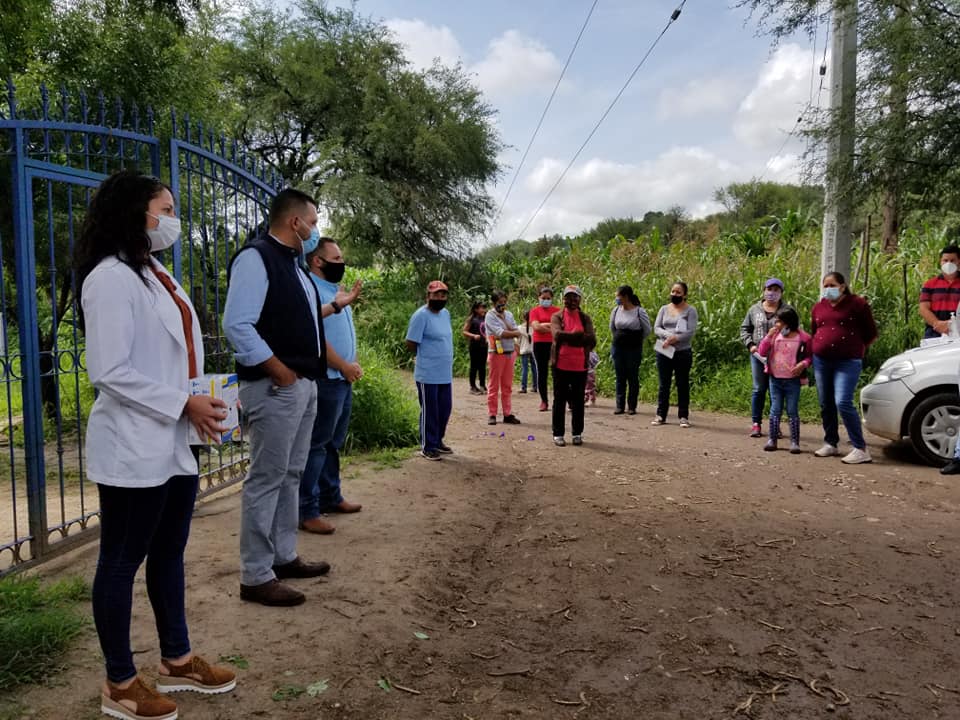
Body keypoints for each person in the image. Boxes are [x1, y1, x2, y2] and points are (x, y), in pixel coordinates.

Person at [76, 171, 236, 720]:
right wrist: (181, 403)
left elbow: (173, 352)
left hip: (173, 439)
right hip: (134, 443)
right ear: (135, 212)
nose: (172, 218)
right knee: (121, 560)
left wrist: (200, 402)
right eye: (164, 207)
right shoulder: (109, 279)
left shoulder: (153, 271)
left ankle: (177, 658)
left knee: (168, 551)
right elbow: (110, 370)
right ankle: (119, 681)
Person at [223, 188, 335, 607]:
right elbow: (237, 324)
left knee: (290, 473)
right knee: (267, 476)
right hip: (275, 386)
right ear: (295, 223)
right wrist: (278, 368)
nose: (315, 228)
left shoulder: (295, 266)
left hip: (301, 385)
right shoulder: (256, 258)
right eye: (313, 219)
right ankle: (255, 574)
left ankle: (283, 556)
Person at [298, 238, 364, 535]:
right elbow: (316, 339)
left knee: (332, 444)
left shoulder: (335, 291)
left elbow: (344, 331)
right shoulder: (310, 291)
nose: (342, 262)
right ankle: (307, 510)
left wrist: (353, 362)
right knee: (317, 445)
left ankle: (330, 496)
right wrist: (342, 365)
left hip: (342, 379)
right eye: (336, 257)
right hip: (327, 379)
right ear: (318, 261)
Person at [810, 271, 878, 464]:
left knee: (843, 402)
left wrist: (855, 347)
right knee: (826, 403)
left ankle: (860, 447)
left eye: (832, 285)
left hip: (847, 361)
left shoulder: (857, 304)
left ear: (842, 286)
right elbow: (815, 330)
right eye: (825, 285)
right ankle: (830, 442)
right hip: (822, 360)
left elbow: (871, 332)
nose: (828, 289)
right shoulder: (819, 307)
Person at [405, 280, 455, 460]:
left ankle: (438, 440)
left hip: (444, 372)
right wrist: (426, 354)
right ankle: (428, 445)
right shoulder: (420, 316)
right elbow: (411, 342)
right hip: (427, 373)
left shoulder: (445, 314)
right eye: (436, 295)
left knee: (445, 408)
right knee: (430, 410)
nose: (440, 298)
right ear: (428, 296)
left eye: (443, 295)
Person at [740, 278, 793, 437]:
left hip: (779, 356)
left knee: (775, 390)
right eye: (769, 289)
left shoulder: (787, 310)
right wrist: (750, 345)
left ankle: (774, 424)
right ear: (764, 290)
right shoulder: (754, 309)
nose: (772, 293)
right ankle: (756, 423)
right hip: (758, 355)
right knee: (759, 389)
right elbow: (744, 329)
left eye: (776, 290)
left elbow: (794, 330)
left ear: (781, 293)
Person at [756, 307, 812, 453]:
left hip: (792, 380)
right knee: (775, 409)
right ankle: (772, 439)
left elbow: (810, 356)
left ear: (789, 323)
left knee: (792, 410)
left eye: (779, 321)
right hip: (775, 379)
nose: (776, 323)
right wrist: (768, 337)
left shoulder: (803, 338)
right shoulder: (775, 335)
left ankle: (794, 442)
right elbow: (761, 351)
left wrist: (803, 364)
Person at [550, 285, 596, 446]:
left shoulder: (585, 318)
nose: (571, 300)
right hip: (560, 365)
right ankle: (558, 433)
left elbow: (592, 340)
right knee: (559, 400)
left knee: (578, 401)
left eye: (575, 297)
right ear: (563, 299)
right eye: (568, 297)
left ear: (580, 299)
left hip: (580, 366)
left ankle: (577, 433)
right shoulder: (557, 316)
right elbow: (556, 335)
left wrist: (569, 337)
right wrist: (577, 336)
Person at [652, 282, 698, 427]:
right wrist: (669, 336)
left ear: (684, 295)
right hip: (664, 349)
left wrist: (676, 339)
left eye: (678, 292)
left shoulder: (690, 311)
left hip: (682, 352)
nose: (674, 294)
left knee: (682, 383)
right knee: (663, 384)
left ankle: (683, 416)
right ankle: (661, 415)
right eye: (673, 291)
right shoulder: (664, 309)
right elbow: (657, 328)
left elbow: (690, 331)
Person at [609, 285, 651, 415]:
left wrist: (636, 340)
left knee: (632, 376)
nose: (617, 299)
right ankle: (619, 405)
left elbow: (647, 329)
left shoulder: (639, 311)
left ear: (626, 297)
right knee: (620, 376)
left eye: (618, 296)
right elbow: (612, 327)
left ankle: (632, 406)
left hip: (633, 348)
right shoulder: (616, 310)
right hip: (618, 347)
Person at [484, 290, 522, 425]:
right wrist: (515, 333)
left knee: (507, 386)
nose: (502, 305)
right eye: (500, 303)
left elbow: (513, 327)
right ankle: (492, 414)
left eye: (504, 302)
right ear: (494, 303)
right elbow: (500, 333)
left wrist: (513, 332)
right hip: (496, 353)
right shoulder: (489, 316)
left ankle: (507, 413)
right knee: (493, 385)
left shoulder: (509, 314)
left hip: (509, 352)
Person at [529, 286, 561, 411]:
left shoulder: (558, 311)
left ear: (552, 298)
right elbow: (536, 327)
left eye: (548, 298)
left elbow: (561, 328)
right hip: (539, 344)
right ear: (539, 298)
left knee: (557, 373)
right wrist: (551, 327)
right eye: (543, 298)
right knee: (542, 373)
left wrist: (544, 326)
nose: (546, 300)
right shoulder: (534, 311)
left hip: (554, 344)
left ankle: (560, 400)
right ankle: (544, 401)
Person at [919, 244, 960, 339]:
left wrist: (952, 324)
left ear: (959, 261)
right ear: (940, 262)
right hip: (933, 334)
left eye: (952, 260)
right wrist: (937, 324)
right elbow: (923, 309)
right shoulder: (930, 284)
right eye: (945, 260)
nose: (948, 263)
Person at [462, 301, 488, 395]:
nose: (483, 309)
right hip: (474, 345)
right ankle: (472, 386)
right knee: (474, 366)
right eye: (481, 307)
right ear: (476, 309)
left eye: (484, 307)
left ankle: (482, 385)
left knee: (482, 366)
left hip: (484, 345)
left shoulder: (486, 318)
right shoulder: (472, 319)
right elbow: (464, 331)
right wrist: (473, 336)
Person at [518, 310, 538, 394]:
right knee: (535, 369)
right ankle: (535, 386)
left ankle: (524, 387)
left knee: (524, 368)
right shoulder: (535, 327)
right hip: (533, 349)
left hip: (524, 349)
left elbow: (518, 340)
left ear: (523, 317)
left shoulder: (519, 328)